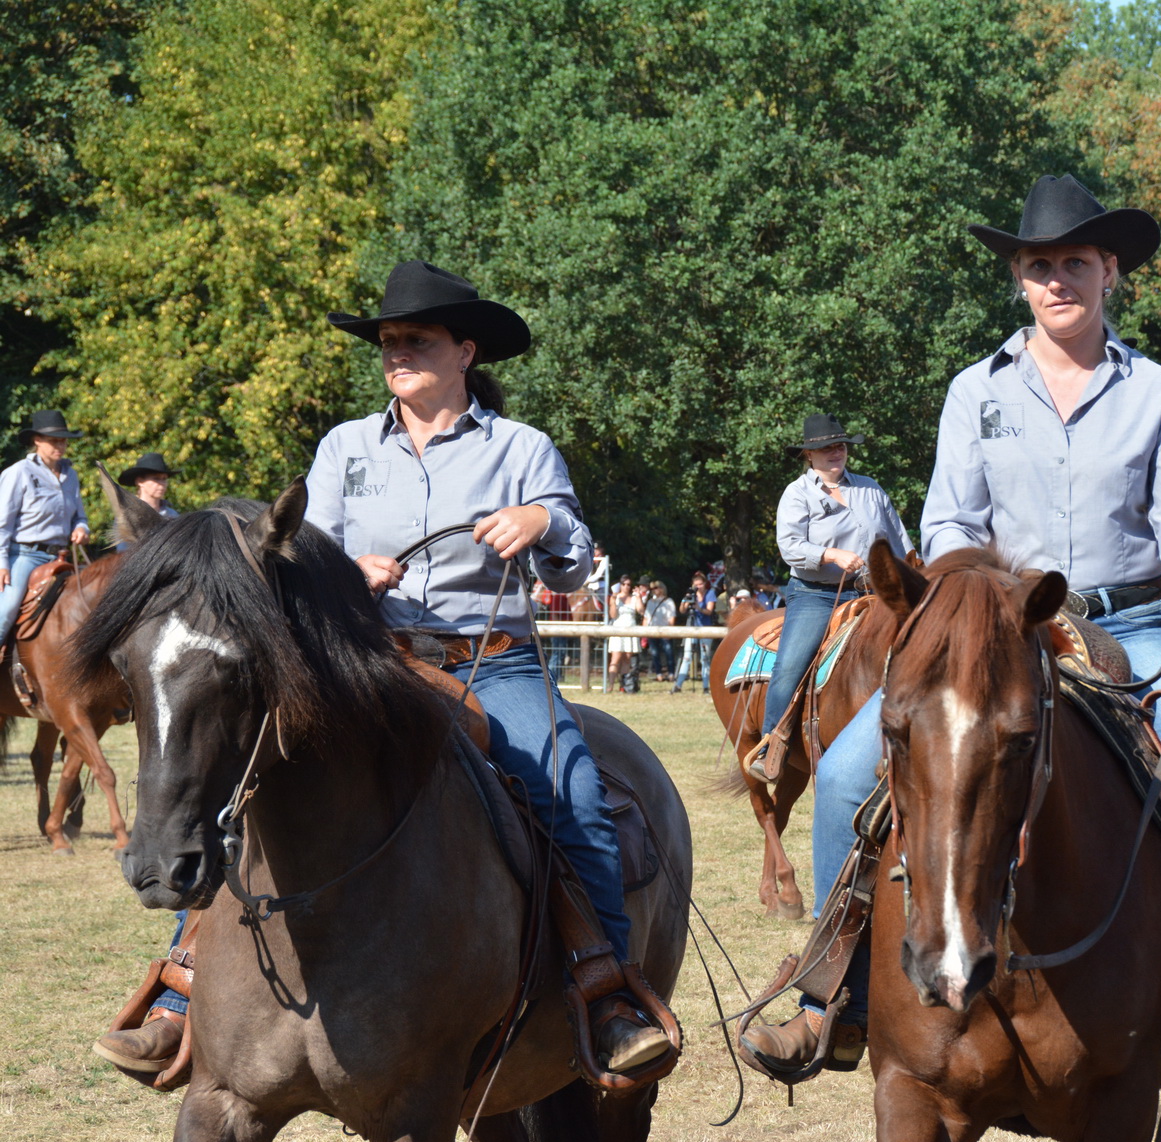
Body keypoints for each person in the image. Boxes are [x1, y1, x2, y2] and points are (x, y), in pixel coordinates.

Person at [740, 174, 1161, 1087]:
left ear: (1109, 270)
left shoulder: (1158, 392)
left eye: (1074, 262)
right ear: (1018, 277)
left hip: (1137, 623)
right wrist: (987, 601)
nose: (1057, 280)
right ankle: (832, 994)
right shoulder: (976, 390)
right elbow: (949, 528)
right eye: (1038, 265)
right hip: (1002, 631)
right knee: (848, 765)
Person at [94, 260, 669, 1078]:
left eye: (417, 340)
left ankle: (605, 989)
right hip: (370, 661)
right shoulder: (344, 448)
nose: (397, 352)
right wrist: (345, 570)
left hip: (490, 665)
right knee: (255, 782)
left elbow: (572, 564)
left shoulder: (521, 449)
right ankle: (183, 985)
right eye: (389, 341)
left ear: (465, 351)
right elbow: (293, 554)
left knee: (569, 786)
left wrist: (539, 518)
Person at [745, 413, 915, 783]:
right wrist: (830, 555)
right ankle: (772, 741)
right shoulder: (797, 493)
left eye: (839, 445)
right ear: (809, 455)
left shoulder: (871, 489)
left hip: (876, 593)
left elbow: (901, 543)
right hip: (816, 595)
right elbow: (789, 546)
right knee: (791, 664)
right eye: (825, 448)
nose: (835, 452)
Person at [0, 411, 92, 652]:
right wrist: (2, 562)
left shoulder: (71, 475)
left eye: (63, 440)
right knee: (8, 609)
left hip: (61, 557)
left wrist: (81, 529)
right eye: (54, 440)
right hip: (25, 556)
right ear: (37, 440)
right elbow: (2, 523)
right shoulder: (19, 472)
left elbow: (80, 517)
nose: (60, 446)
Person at [671, 572, 716, 693]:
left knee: (705, 658)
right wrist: (685, 601)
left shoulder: (710, 594)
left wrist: (698, 608)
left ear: (705, 584)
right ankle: (678, 685)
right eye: (696, 584)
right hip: (691, 628)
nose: (698, 587)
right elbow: (681, 610)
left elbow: (709, 611)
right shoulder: (691, 593)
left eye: (700, 584)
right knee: (686, 656)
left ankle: (706, 685)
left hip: (705, 629)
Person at [607, 575, 644, 692]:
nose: (626, 587)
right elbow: (613, 615)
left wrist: (639, 597)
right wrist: (613, 601)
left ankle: (624, 685)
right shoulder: (615, 598)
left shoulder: (634, 598)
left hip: (631, 628)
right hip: (618, 628)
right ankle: (610, 685)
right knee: (616, 658)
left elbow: (641, 611)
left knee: (627, 659)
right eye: (624, 584)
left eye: (629, 584)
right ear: (620, 585)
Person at [118, 452, 180, 518]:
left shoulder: (172, 515)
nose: (162, 483)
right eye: (156, 478)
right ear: (140, 481)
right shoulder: (129, 516)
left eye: (164, 479)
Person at [644, 580, 677, 680]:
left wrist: (670, 631)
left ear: (662, 588)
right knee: (654, 653)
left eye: (656, 587)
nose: (654, 590)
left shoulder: (669, 602)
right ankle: (659, 673)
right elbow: (646, 618)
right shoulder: (650, 602)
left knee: (669, 652)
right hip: (652, 631)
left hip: (665, 630)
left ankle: (671, 673)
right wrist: (644, 632)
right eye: (652, 588)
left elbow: (671, 618)